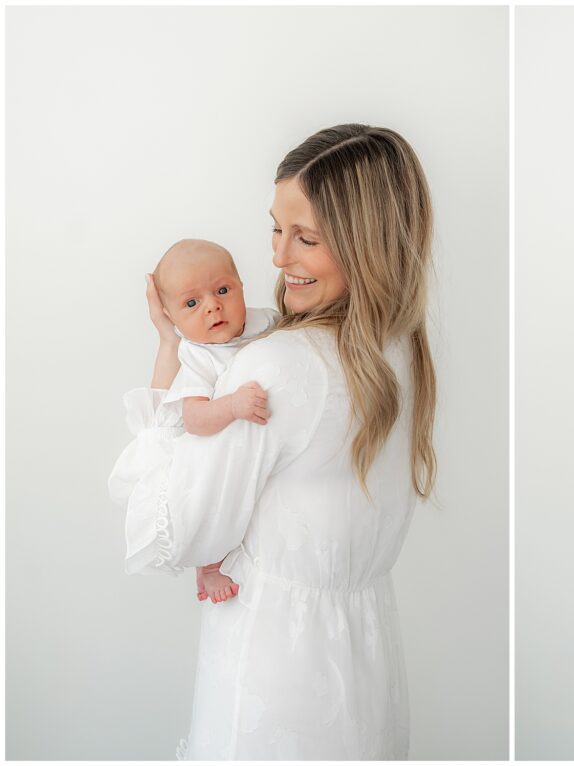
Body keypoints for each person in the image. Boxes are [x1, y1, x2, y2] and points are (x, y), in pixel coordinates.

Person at [108, 124, 437, 760]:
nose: (278, 258)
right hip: (366, 660)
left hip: (274, 667)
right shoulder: (399, 353)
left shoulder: (277, 366)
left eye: (306, 238)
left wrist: (169, 354)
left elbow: (172, 530)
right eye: (276, 229)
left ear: (367, 247)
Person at [143, 238, 280, 605]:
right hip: (216, 450)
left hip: (261, 445)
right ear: (171, 317)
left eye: (222, 290)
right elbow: (194, 418)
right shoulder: (198, 356)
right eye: (192, 303)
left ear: (241, 286)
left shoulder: (265, 321)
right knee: (216, 505)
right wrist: (232, 405)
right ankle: (209, 564)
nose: (213, 306)